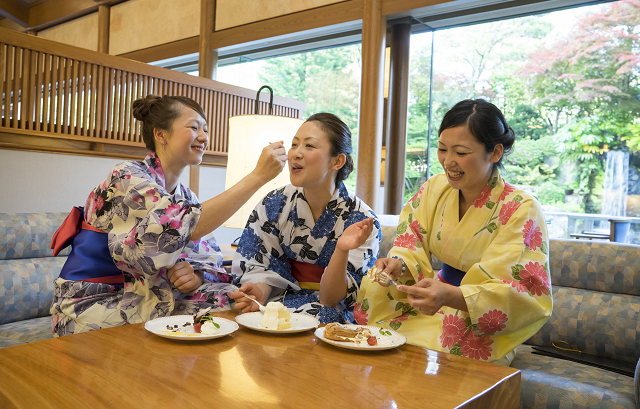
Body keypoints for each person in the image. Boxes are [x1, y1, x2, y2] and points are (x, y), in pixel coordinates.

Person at [50, 94, 288, 337]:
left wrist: (195, 276)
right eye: (194, 127)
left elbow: (208, 255)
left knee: (230, 301)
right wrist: (257, 176)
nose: (204, 137)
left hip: (152, 293)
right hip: (100, 294)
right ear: (160, 134)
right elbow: (181, 227)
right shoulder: (126, 176)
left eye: (205, 129)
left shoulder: (187, 197)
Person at [355, 99, 552, 365]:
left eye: (460, 152)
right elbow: (410, 238)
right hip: (434, 300)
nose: (448, 162)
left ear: (494, 152)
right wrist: (398, 265)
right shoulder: (435, 189)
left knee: (436, 359)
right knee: (379, 344)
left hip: (476, 318)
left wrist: (451, 296)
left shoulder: (520, 208)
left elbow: (518, 290)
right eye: (442, 149)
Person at [229, 113, 381, 324]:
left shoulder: (362, 220)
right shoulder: (274, 204)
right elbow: (261, 265)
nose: (295, 154)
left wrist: (341, 250)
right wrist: (260, 291)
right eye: (294, 144)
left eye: (309, 146)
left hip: (330, 311)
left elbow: (332, 299)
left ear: (337, 161)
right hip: (278, 301)